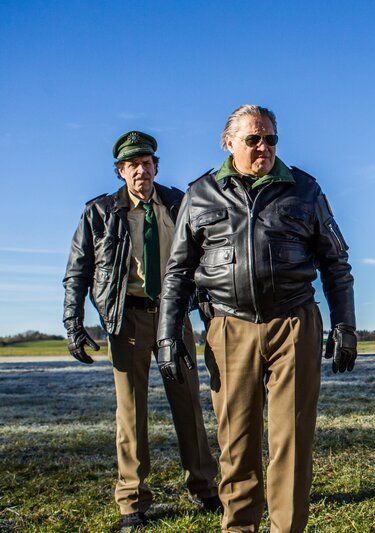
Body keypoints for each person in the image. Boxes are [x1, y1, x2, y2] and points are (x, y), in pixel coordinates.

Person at [156, 104, 357, 532]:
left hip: (294, 323)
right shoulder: (200, 194)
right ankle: (239, 526)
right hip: (228, 327)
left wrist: (345, 324)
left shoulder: (305, 189)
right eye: (253, 139)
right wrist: (167, 335)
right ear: (228, 143)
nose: (263, 146)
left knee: (292, 440)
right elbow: (177, 272)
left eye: (270, 139)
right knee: (236, 442)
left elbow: (335, 263)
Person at [62, 131, 220, 530]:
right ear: (120, 171)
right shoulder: (99, 212)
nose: (140, 171)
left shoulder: (179, 203)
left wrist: (208, 310)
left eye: (146, 164)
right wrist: (73, 322)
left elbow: (204, 256)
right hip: (127, 319)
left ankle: (204, 487)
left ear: (155, 167)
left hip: (173, 316)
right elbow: (77, 271)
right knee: (131, 412)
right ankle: (132, 502)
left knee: (188, 403)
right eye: (132, 165)